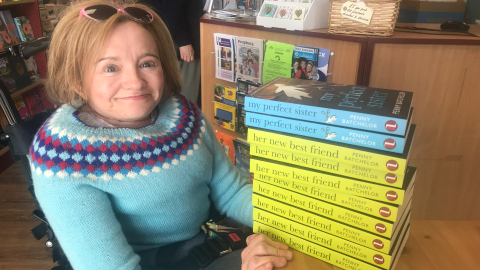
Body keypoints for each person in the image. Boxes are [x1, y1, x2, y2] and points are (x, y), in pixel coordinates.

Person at [30, 1, 292, 270]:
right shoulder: (60, 157)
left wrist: (295, 223)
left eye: (147, 63)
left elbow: (232, 192)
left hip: (204, 244)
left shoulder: (183, 114)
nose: (135, 81)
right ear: (76, 80)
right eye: (110, 68)